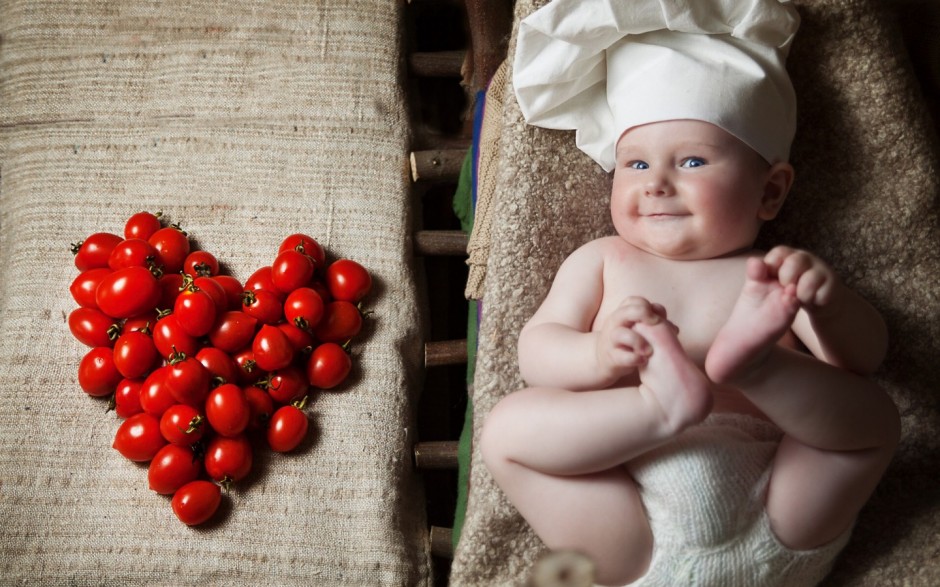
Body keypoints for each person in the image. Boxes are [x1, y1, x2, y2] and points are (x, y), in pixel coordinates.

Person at [479, 1, 901, 586]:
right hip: (644, 509)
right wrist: (598, 356)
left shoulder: (773, 275)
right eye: (634, 163)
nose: (655, 182)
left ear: (770, 192)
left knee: (873, 417)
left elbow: (862, 359)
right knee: (508, 429)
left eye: (693, 161)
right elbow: (538, 353)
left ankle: (757, 369)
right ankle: (664, 406)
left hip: (764, 504)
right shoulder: (602, 260)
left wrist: (826, 307)